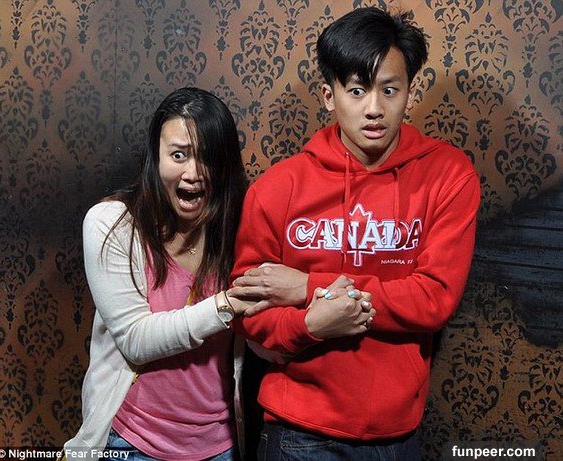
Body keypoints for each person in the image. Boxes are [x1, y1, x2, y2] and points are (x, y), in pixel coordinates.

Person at [62, 87, 368, 461]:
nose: (193, 173)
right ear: (155, 157)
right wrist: (226, 304)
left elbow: (258, 340)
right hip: (130, 442)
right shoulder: (113, 224)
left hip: (219, 445)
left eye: (208, 158)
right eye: (178, 155)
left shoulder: (239, 228)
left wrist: (311, 319)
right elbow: (135, 340)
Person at [229, 6, 481, 460]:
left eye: (389, 90)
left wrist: (308, 287)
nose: (374, 109)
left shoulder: (448, 176)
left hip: (398, 433)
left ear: (410, 92)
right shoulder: (277, 189)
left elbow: (434, 297)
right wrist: (309, 326)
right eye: (358, 90)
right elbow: (248, 309)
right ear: (330, 96)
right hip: (298, 432)